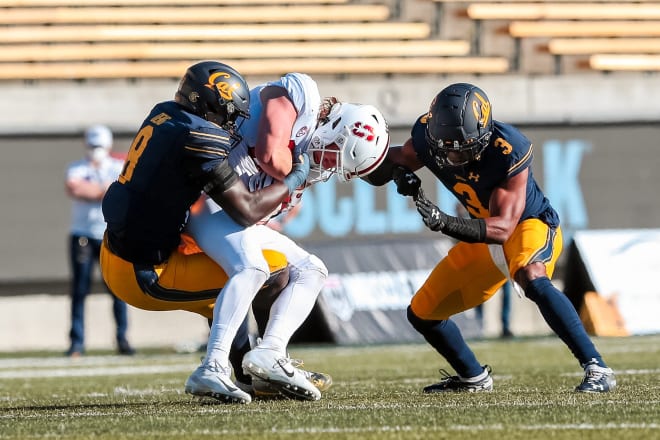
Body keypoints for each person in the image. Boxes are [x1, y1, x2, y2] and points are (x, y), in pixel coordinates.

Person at [363, 82, 616, 393]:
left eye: (462, 148)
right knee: (423, 311)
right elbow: (387, 165)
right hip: (482, 237)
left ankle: (597, 366)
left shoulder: (509, 148)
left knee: (530, 274)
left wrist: (445, 222)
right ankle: (473, 378)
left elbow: (503, 229)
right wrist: (367, 159)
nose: (454, 156)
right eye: (447, 148)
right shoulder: (429, 137)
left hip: (527, 226)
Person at [99, 60, 312, 405]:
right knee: (269, 269)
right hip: (144, 272)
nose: (230, 123)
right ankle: (233, 367)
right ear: (207, 105)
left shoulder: (166, 113)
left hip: (116, 251)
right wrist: (294, 179)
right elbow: (247, 209)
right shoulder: (199, 136)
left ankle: (247, 375)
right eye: (227, 113)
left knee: (225, 295)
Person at [187, 72, 390, 399]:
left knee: (312, 269)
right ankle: (212, 366)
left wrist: (295, 181)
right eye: (336, 153)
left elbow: (262, 213)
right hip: (204, 200)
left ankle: (270, 354)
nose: (330, 167)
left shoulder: (308, 167)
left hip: (233, 216)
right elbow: (269, 153)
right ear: (336, 129)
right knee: (251, 266)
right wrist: (294, 176)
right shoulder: (301, 96)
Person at [64, 124, 134, 357]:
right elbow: (75, 189)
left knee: (117, 289)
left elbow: (123, 190)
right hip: (81, 234)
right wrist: (104, 189)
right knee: (79, 289)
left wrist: (95, 189)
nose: (96, 150)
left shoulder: (117, 166)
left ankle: (122, 339)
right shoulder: (76, 167)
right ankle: (77, 342)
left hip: (109, 234)